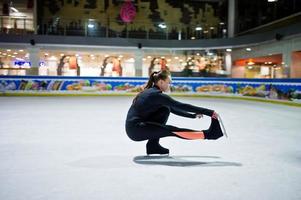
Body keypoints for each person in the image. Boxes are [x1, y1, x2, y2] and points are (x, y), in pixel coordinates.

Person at [125, 70, 225, 155]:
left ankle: (153, 146)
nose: (170, 85)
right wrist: (210, 112)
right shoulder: (156, 95)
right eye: (168, 82)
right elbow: (181, 105)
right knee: (172, 130)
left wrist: (192, 116)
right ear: (161, 82)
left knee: (165, 110)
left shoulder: (152, 92)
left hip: (137, 127)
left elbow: (173, 108)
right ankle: (209, 134)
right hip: (136, 130)